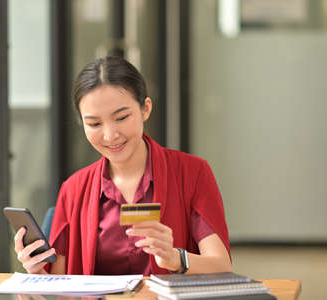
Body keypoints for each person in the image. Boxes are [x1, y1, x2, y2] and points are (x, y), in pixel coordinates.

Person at [14, 56, 232, 275]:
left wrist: (176, 258)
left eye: (122, 117)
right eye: (94, 124)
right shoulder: (73, 189)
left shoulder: (192, 173)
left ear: (145, 109)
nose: (110, 135)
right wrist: (36, 270)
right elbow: (58, 287)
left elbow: (222, 266)